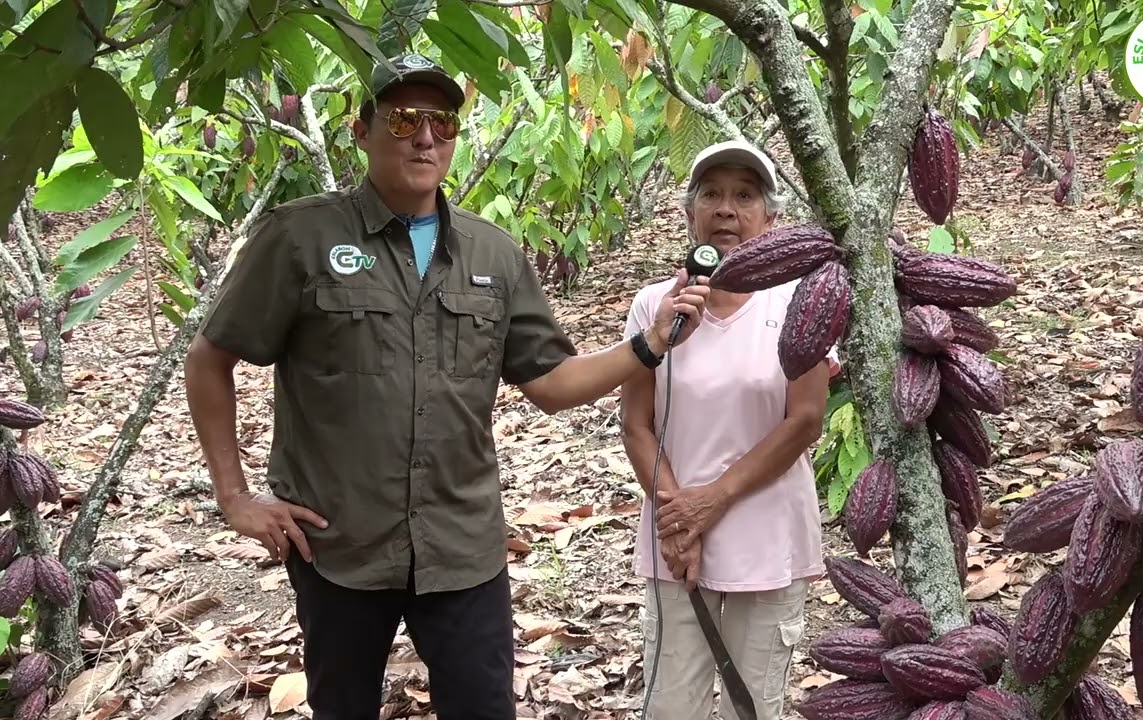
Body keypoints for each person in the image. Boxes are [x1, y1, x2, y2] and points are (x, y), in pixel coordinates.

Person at [182, 53, 711, 720]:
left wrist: (647, 345)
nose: (426, 137)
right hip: (338, 545)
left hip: (461, 547)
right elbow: (210, 358)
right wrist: (234, 498)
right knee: (341, 708)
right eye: (404, 120)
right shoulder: (302, 236)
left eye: (442, 122)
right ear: (361, 130)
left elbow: (548, 381)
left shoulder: (491, 254)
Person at [619, 139, 839, 720]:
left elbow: (805, 421)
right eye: (711, 195)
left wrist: (710, 503)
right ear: (689, 213)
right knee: (671, 706)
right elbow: (637, 423)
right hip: (675, 537)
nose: (726, 209)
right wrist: (676, 521)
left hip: (766, 539)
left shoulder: (799, 303)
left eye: (745, 196)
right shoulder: (654, 306)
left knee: (755, 707)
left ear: (771, 218)